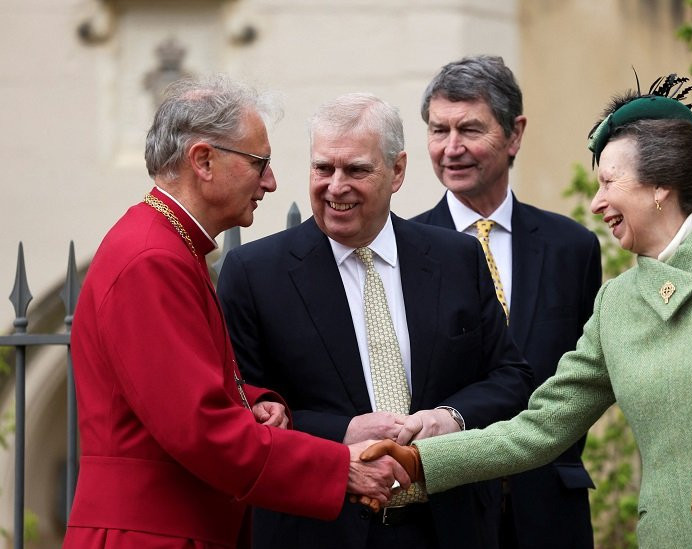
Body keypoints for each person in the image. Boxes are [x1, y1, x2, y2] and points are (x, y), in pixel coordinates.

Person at [359, 75, 692, 548]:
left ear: (659, 188)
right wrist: (423, 461)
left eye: (609, 183)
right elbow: (539, 428)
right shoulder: (617, 304)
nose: (595, 203)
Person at [64, 76, 409, 549]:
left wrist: (255, 402)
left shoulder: (167, 245)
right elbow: (198, 428)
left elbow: (177, 387)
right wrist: (339, 469)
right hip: (151, 531)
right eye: (259, 163)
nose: (270, 182)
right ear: (203, 161)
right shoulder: (152, 259)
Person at [216, 92, 533, 549]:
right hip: (319, 532)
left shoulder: (456, 259)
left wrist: (451, 417)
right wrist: (342, 432)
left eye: (357, 170)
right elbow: (242, 411)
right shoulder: (254, 274)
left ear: (398, 171)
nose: (336, 186)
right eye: (323, 168)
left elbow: (510, 377)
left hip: (448, 528)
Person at [412, 55, 602, 549]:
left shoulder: (572, 248)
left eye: (470, 129)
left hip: (549, 511)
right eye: (439, 130)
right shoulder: (402, 250)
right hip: (443, 508)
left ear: (514, 134)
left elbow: (584, 378)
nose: (451, 148)